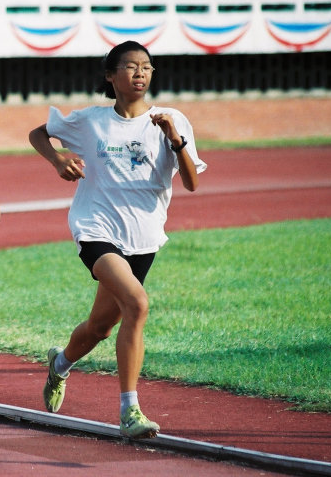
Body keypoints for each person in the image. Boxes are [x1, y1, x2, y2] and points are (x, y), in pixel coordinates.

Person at [28, 41, 206, 439]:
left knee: (99, 328)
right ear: (110, 76)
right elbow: (39, 133)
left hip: (143, 237)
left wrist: (174, 137)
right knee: (137, 304)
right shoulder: (92, 121)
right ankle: (130, 411)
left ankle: (59, 364)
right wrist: (58, 159)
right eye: (130, 67)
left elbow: (192, 182)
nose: (140, 73)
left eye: (147, 67)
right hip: (95, 228)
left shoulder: (171, 119)